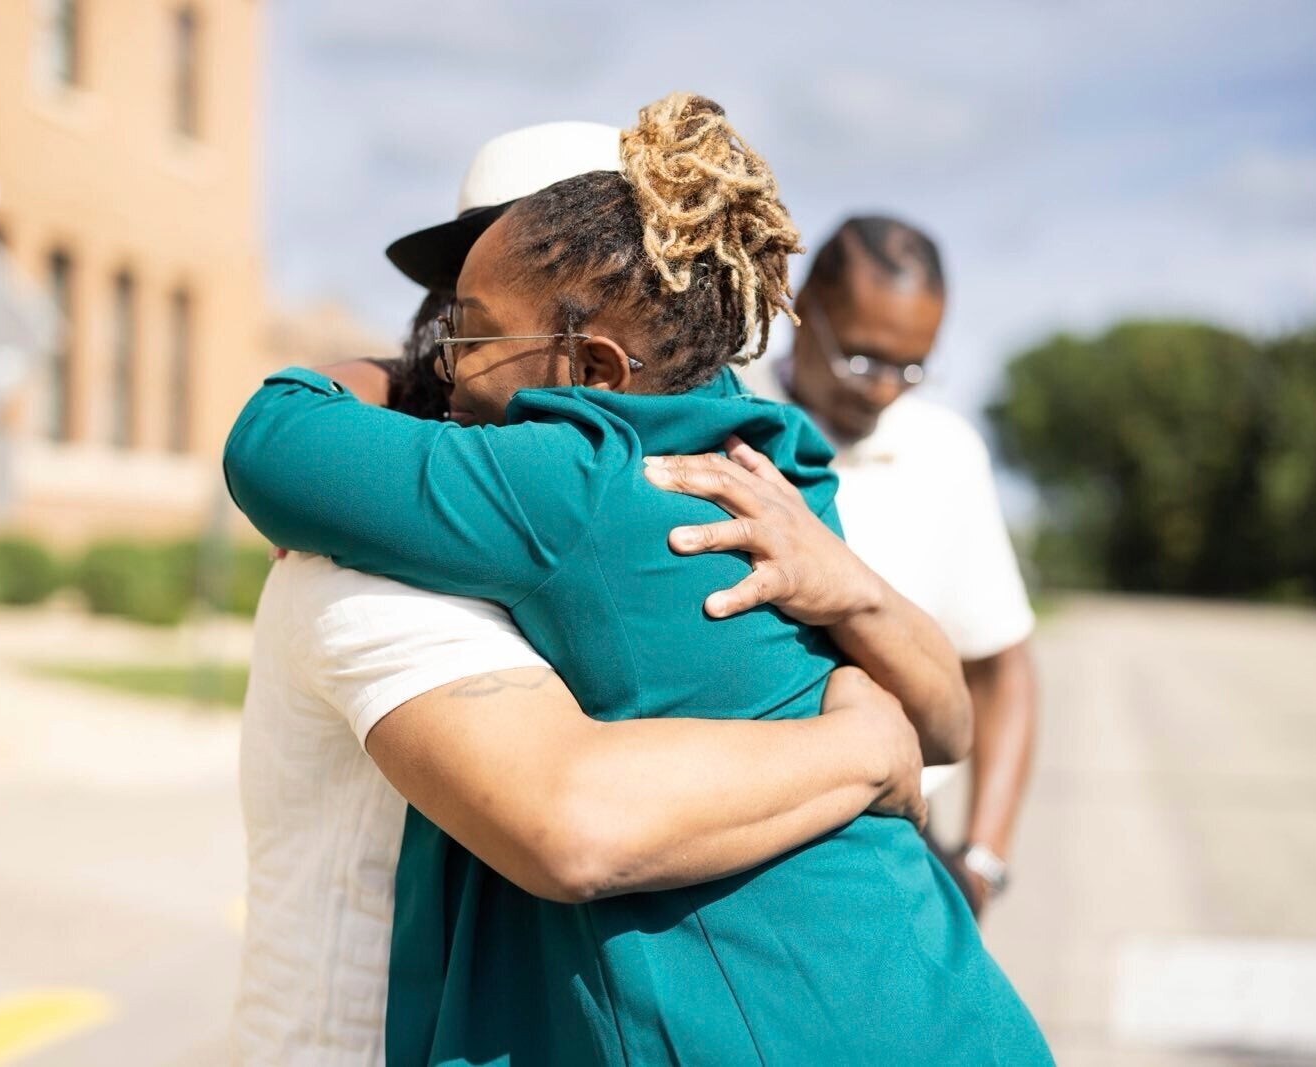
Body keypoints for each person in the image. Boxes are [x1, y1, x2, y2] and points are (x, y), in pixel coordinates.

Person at [227, 93, 1050, 1064]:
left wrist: (379, 387)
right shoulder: (779, 462)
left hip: (788, 1019)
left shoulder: (561, 482)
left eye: (473, 330)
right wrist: (868, 739)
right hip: (941, 994)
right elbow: (944, 721)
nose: (450, 363)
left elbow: (272, 437)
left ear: (598, 360)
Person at [737, 215, 1039, 917]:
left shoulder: (947, 452)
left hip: (895, 841)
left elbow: (1002, 666)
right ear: (801, 306)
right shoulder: (725, 405)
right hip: (732, 831)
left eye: (912, 368)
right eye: (863, 359)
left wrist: (984, 860)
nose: (882, 391)